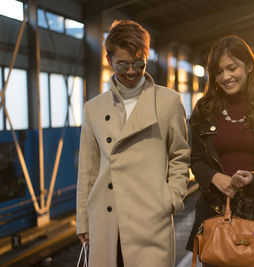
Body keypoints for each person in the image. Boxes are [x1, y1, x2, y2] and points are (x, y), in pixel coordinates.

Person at [76, 20, 190, 267]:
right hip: (106, 220)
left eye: (139, 63)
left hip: (150, 220)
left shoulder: (168, 102)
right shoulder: (93, 109)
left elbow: (180, 155)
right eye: (123, 65)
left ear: (147, 56)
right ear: (109, 59)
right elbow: (88, 170)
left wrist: (170, 199)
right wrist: (83, 221)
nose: (131, 72)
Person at [186, 35, 254, 263]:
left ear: (249, 66)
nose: (225, 77)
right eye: (218, 71)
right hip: (215, 213)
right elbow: (195, 160)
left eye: (232, 68)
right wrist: (215, 178)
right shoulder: (204, 110)